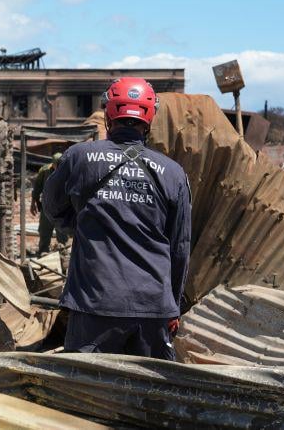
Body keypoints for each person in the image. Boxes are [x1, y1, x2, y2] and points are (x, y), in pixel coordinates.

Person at [42, 77, 191, 359]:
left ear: (109, 114)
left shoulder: (78, 158)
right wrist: (172, 305)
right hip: (153, 309)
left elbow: (51, 207)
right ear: (150, 118)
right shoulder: (173, 173)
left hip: (93, 306)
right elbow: (179, 248)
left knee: (86, 394)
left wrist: (81, 227)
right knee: (151, 397)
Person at [30, 152, 68, 255]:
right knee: (44, 230)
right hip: (47, 205)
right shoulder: (45, 171)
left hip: (62, 207)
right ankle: (43, 251)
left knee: (63, 232)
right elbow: (37, 188)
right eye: (57, 165)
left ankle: (63, 252)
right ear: (53, 164)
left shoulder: (68, 170)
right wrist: (33, 202)